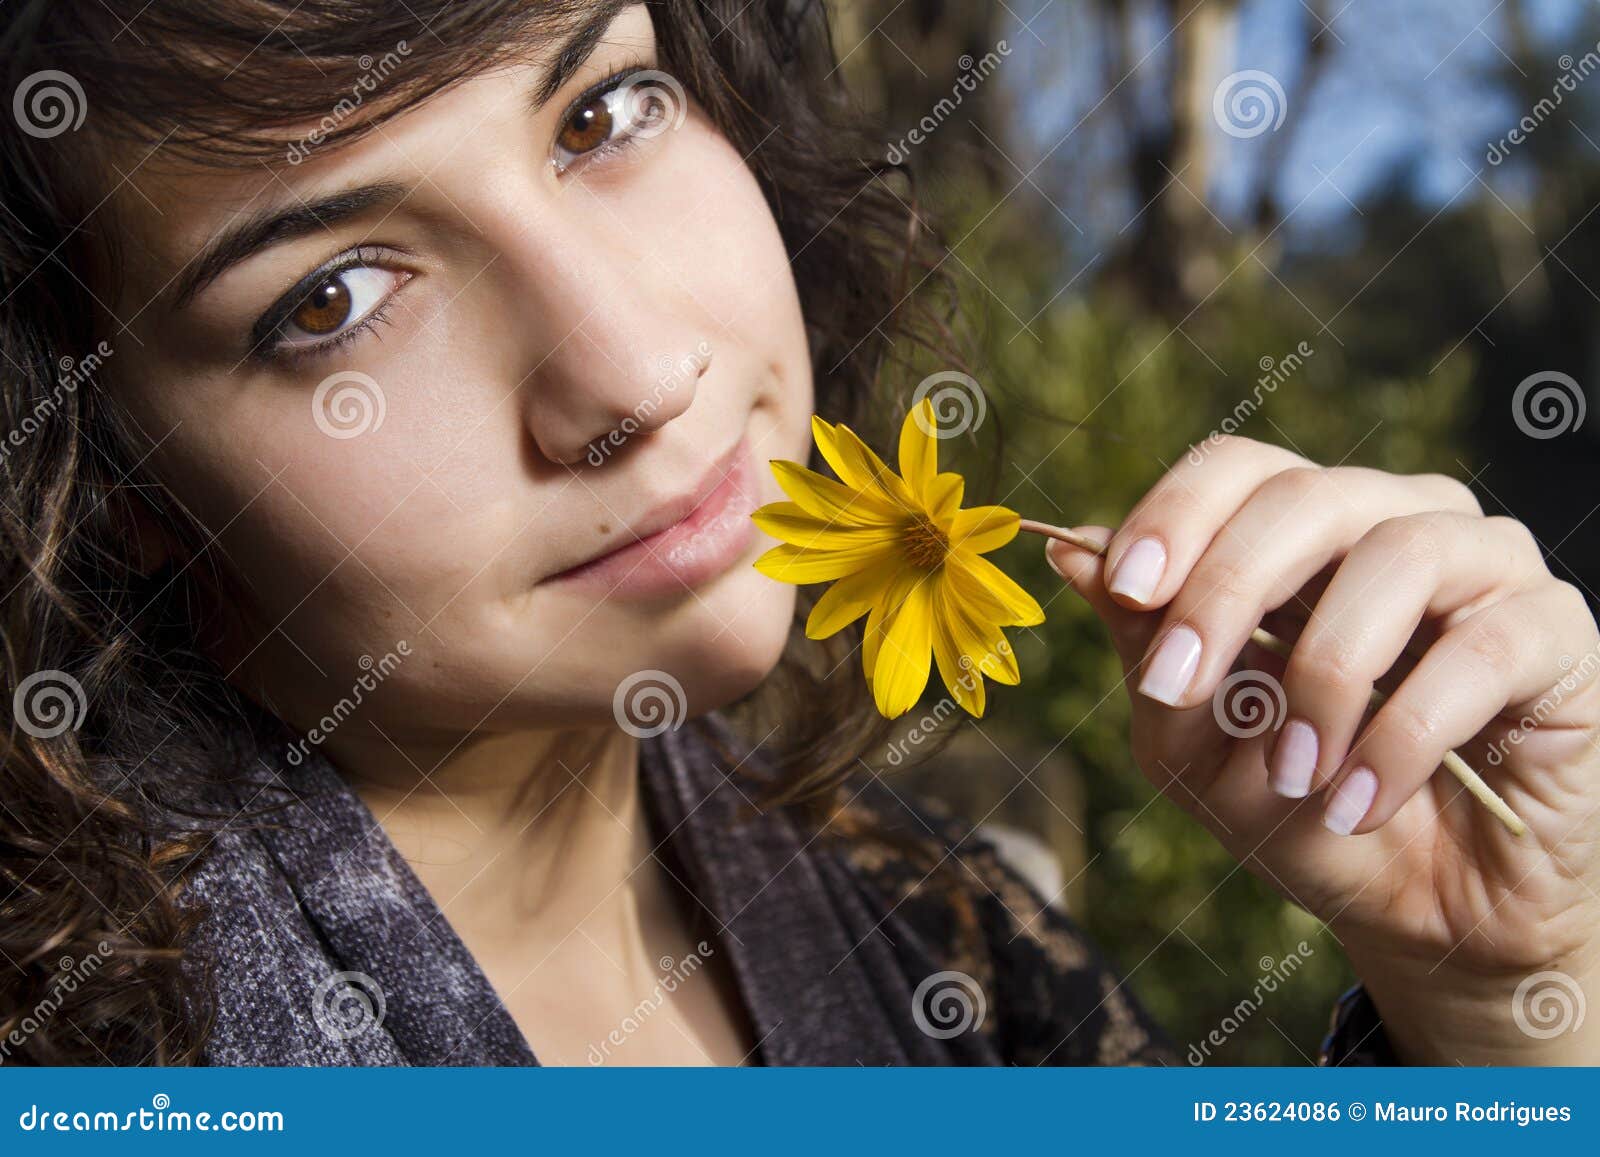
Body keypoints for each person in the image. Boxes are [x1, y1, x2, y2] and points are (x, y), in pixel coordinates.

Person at [1, 0, 1595, 1067]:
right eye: (331, 298)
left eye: (607, 112)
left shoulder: (950, 944)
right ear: (107, 478)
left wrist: (1506, 988)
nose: (631, 374)